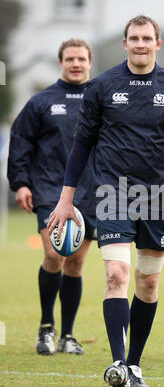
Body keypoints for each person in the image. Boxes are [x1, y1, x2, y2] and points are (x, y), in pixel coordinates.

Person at [47, 15, 164, 387]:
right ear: (125, 44)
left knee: (148, 283)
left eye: (146, 38)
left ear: (158, 43)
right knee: (116, 275)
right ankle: (118, 364)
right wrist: (66, 199)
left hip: (157, 197)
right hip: (112, 194)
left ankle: (134, 364)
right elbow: (81, 145)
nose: (140, 43)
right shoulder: (102, 86)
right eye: (133, 38)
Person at [7, 39, 96, 356]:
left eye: (81, 59)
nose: (76, 63)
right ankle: (46, 327)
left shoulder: (100, 99)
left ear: (89, 62)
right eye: (70, 58)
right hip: (49, 189)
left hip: (90, 191)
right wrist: (21, 183)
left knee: (75, 263)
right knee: (55, 255)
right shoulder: (41, 101)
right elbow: (20, 143)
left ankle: (68, 335)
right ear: (61, 62)